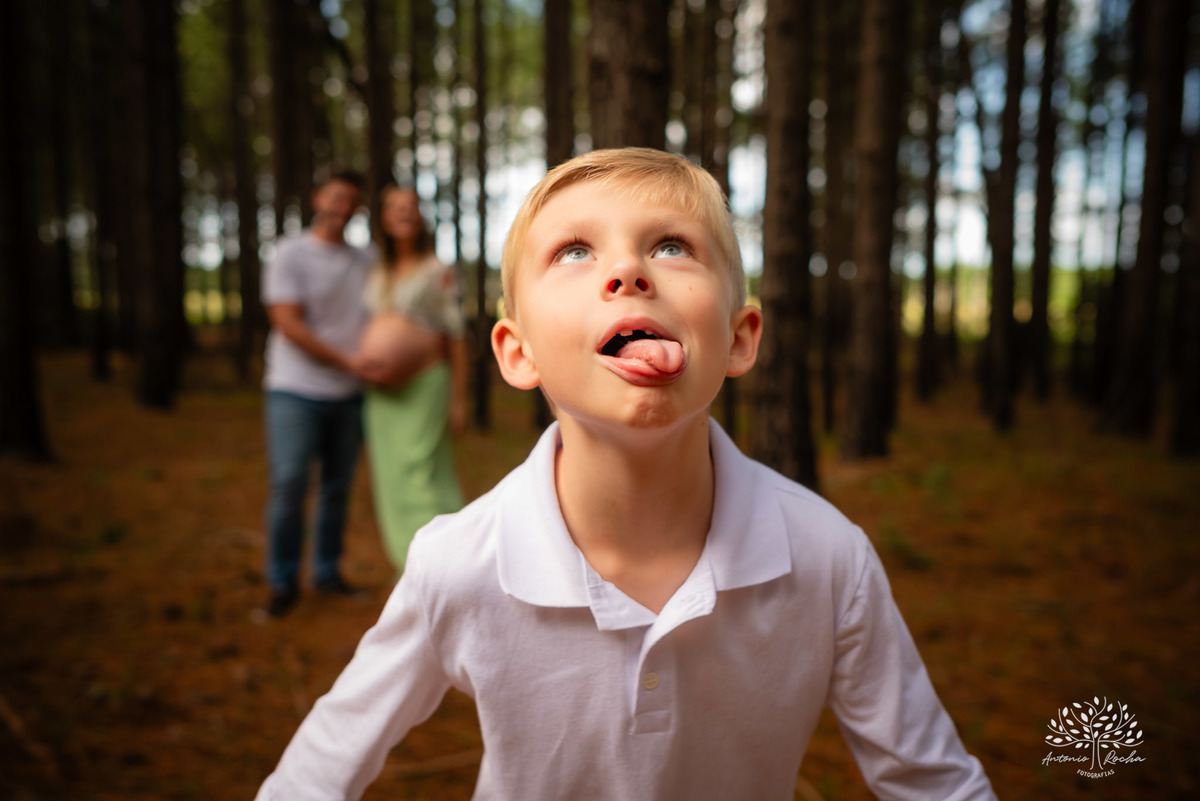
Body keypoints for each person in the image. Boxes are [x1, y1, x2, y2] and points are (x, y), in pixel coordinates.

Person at [255, 149, 997, 799]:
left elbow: (936, 781)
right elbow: (317, 771)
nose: (627, 270)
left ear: (739, 337)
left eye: (672, 246)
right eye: (574, 250)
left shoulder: (831, 558)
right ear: (519, 353)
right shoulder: (459, 562)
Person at [260, 169, 380, 619]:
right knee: (290, 484)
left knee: (337, 489)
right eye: (335, 197)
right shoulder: (291, 253)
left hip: (349, 395)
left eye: (350, 200)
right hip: (294, 389)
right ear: (317, 199)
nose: (342, 207)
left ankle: (327, 574)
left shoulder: (367, 259)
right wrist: (347, 362)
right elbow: (287, 323)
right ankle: (281, 583)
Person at [359, 184, 467, 575]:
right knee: (391, 478)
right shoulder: (378, 271)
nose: (403, 213)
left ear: (420, 217)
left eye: (410, 207)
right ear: (384, 219)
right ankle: (407, 566)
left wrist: (459, 398)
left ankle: (445, 564)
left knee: (423, 473)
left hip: (424, 385)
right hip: (383, 398)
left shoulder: (438, 271)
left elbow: (456, 335)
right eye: (395, 207)